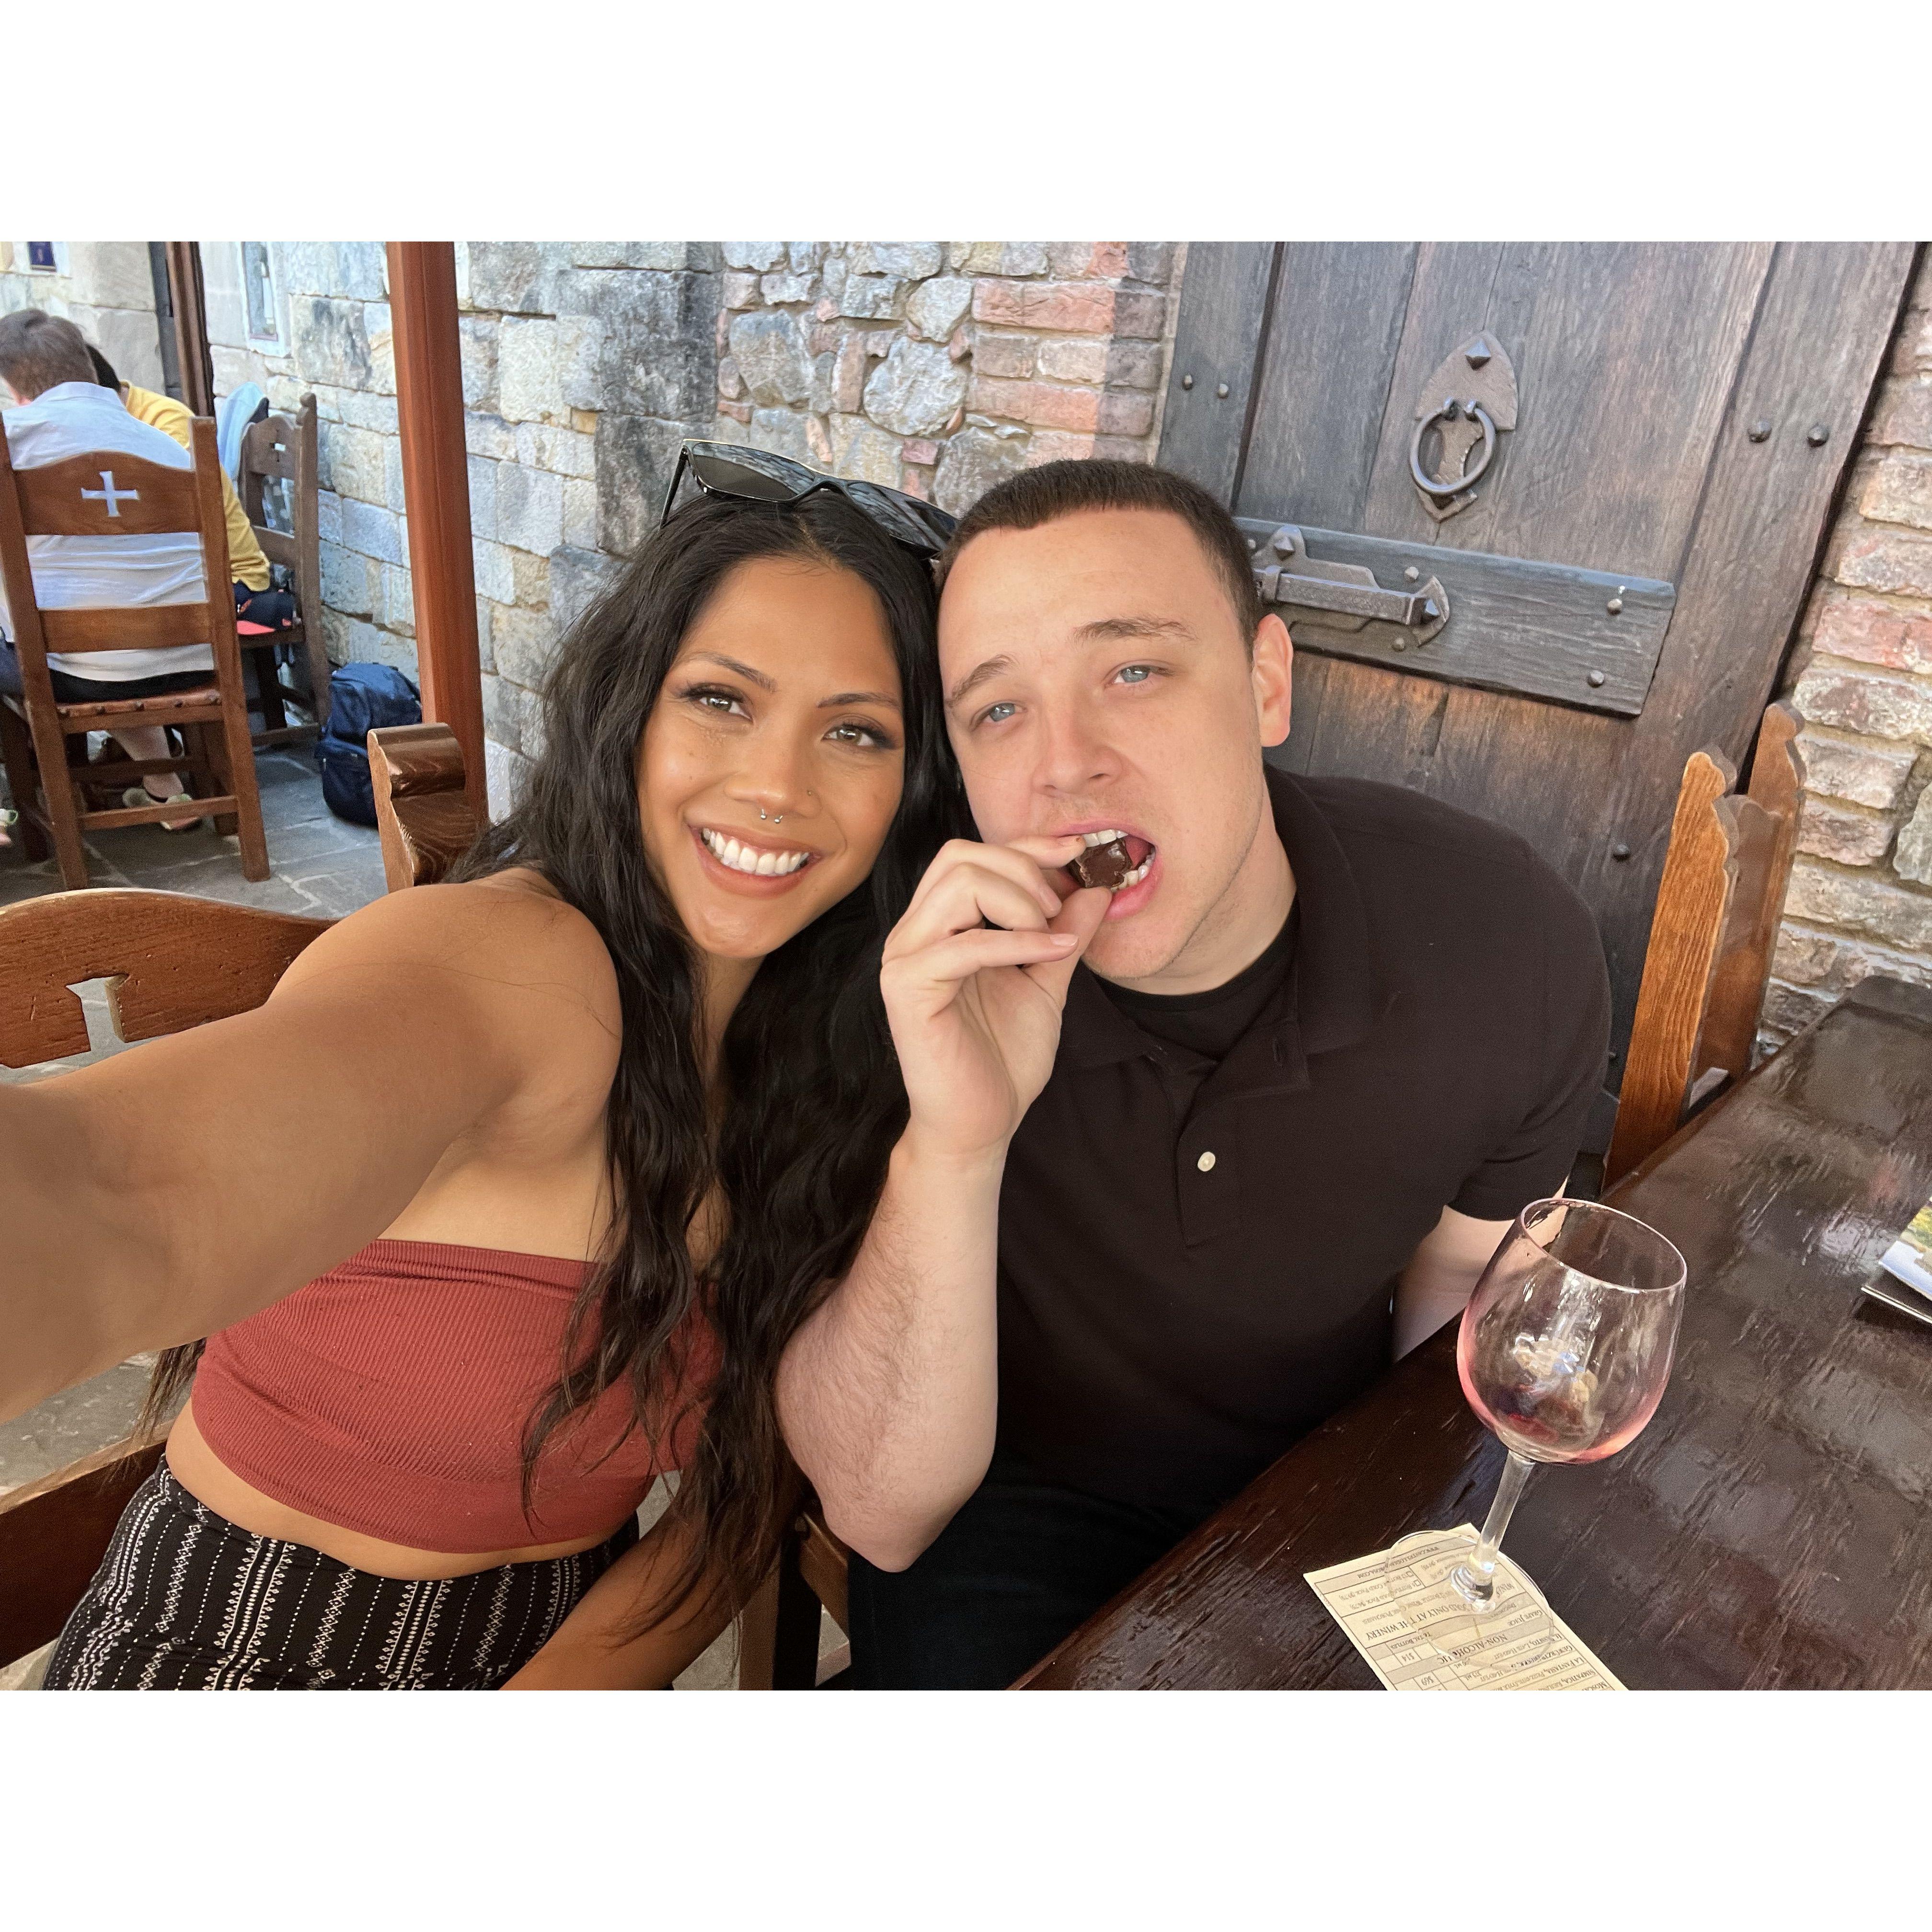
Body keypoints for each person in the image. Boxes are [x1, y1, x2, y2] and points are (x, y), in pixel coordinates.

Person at [0, 450, 965, 1689]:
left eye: (856, 730)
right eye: (722, 699)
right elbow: (124, 1195)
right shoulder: (516, 968)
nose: (776, 786)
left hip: (562, 1647)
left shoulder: (831, 1063)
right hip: (256, 1653)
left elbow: (756, 1480)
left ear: (914, 791)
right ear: (628, 713)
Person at [778, 460, 1613, 1689]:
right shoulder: (902, 975)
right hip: (1007, 1509)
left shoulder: (1504, 941)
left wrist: (1407, 1545)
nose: (1065, 764)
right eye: (998, 711)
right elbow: (880, 1516)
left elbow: (1453, 1301)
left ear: (1265, 685)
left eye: (1134, 670)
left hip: (1325, 1479)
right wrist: (956, 1141)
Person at [0, 310, 214, 825]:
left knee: (62, 637)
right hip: (192, 656)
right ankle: (166, 791)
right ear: (87, 366)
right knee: (97, 622)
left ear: (15, 388)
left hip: (76, 671)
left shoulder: (13, 438)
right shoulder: (166, 444)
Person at [86, 341, 299, 636]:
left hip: (227, 579)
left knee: (105, 624)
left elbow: (172, 528)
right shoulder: (107, 424)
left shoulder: (164, 422)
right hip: (180, 577)